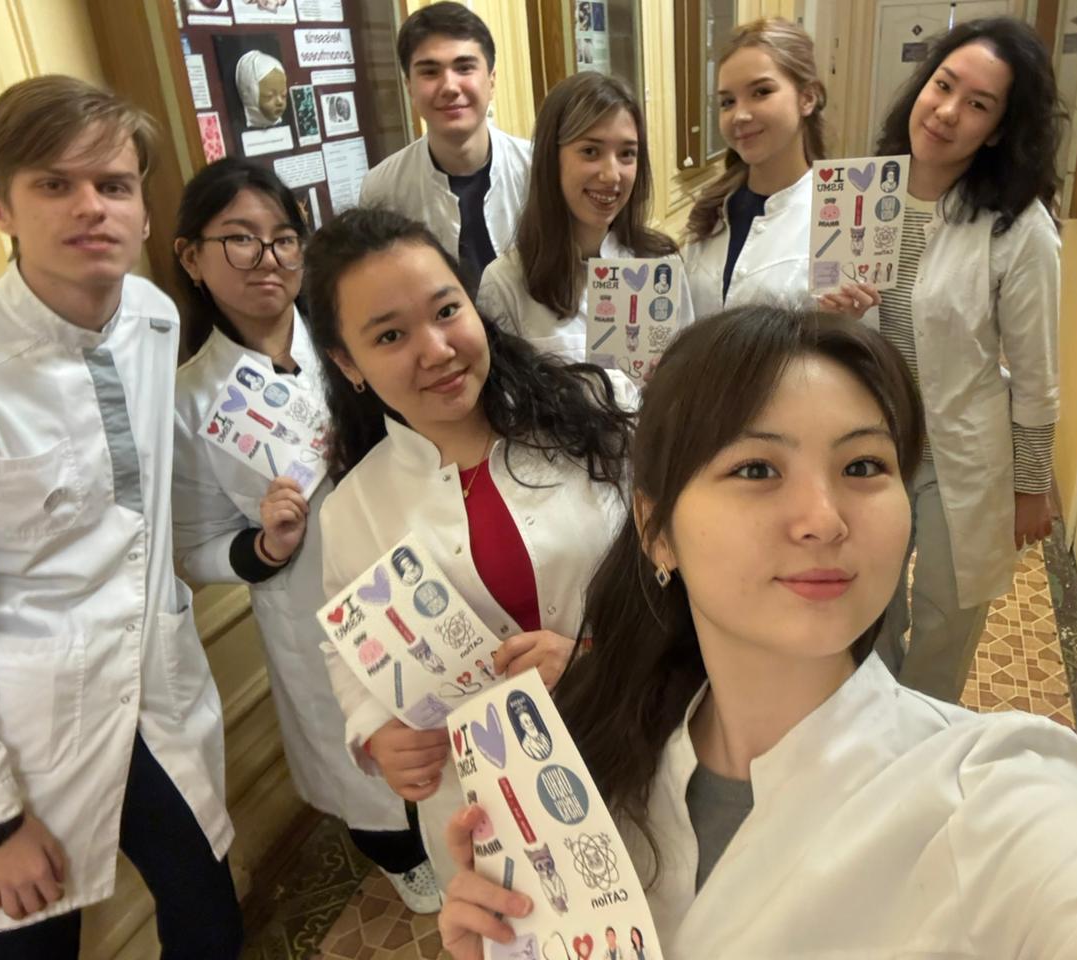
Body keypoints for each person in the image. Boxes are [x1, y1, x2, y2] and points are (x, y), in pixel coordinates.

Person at [435, 306, 1077, 958]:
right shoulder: (601, 759)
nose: (824, 518)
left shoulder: (994, 795)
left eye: (864, 466)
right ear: (657, 530)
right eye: (756, 469)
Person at [301, 207, 636, 892]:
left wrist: (596, 661)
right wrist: (375, 729)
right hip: (491, 810)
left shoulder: (595, 413)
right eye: (390, 335)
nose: (435, 350)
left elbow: (679, 570)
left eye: (446, 310)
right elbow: (348, 643)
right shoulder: (353, 510)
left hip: (632, 741)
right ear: (347, 362)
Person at [0, 76, 241, 956]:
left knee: (208, 915)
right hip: (30, 729)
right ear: (1, 206)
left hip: (153, 685)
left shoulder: (155, 318)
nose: (91, 207)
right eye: (55, 184)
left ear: (142, 210)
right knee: (34, 940)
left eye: (114, 184)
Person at [170, 159, 440, 913]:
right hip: (312, 605)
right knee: (365, 761)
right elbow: (193, 548)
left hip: (419, 570)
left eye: (284, 238)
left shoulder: (349, 340)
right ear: (191, 256)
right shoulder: (188, 400)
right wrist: (265, 547)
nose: (268, 258)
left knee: (444, 721)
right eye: (240, 239)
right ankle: (401, 857)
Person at [822, 17, 1062, 702]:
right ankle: (874, 720)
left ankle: (926, 737)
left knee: (946, 616)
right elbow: (824, 330)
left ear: (1000, 130)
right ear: (921, 86)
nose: (949, 111)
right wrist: (830, 310)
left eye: (978, 104)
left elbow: (1037, 376)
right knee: (869, 604)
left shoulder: (1020, 229)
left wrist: (1031, 487)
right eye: (943, 85)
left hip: (962, 450)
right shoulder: (860, 196)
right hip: (872, 441)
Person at [476, 72, 690, 364]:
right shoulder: (505, 284)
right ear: (551, 159)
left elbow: (692, 376)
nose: (612, 175)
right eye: (590, 151)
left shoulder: (661, 264)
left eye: (627, 154)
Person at [360, 1, 530, 289]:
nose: (450, 86)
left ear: (491, 80)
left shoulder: (538, 168)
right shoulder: (382, 189)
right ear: (409, 87)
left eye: (464, 68)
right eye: (430, 72)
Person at [682, 18, 827, 319]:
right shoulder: (712, 210)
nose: (740, 115)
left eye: (761, 92)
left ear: (807, 98)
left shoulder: (832, 217)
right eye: (727, 102)